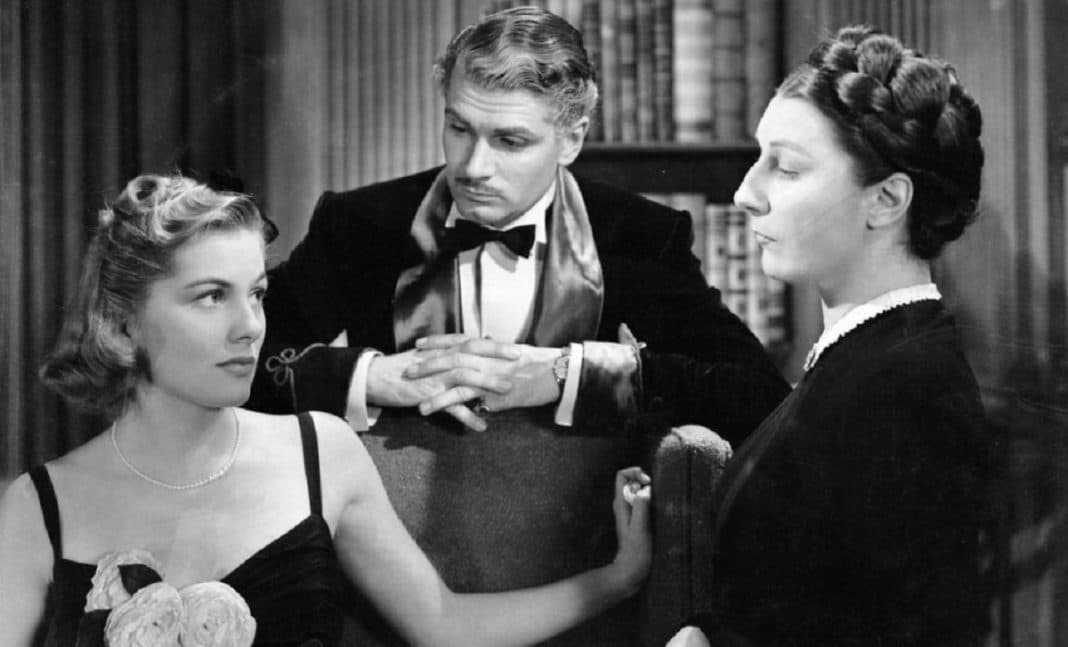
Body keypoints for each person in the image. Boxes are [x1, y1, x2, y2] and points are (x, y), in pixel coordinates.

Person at [0, 174, 652, 647]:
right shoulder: (37, 509)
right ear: (122, 326)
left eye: (257, 294)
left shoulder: (321, 452)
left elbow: (445, 626)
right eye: (210, 297)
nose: (250, 327)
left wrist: (618, 579)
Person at [247, 6, 789, 444]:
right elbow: (242, 369)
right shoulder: (358, 224)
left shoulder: (641, 235)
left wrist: (566, 374)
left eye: (509, 141)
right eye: (459, 128)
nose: (473, 167)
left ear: (571, 139)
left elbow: (758, 396)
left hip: (582, 534)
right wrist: (369, 377)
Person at [665, 26, 990, 646]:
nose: (745, 194)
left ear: (887, 199)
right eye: (759, 158)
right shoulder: (865, 358)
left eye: (786, 168)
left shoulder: (906, 387)